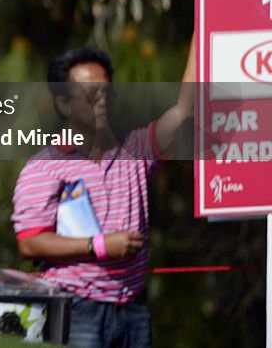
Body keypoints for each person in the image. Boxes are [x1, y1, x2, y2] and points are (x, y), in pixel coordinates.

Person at [12, 41, 195, 348]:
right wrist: (99, 246)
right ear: (64, 104)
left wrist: (202, 27)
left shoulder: (136, 150)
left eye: (106, 91)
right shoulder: (43, 167)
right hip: (76, 308)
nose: (100, 100)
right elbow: (29, 242)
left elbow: (184, 110)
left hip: (132, 307)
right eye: (89, 93)